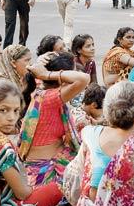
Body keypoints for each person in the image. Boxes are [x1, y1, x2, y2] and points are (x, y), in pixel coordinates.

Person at [18, 52, 90, 194]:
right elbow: (84, 78)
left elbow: (35, 71)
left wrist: (42, 67)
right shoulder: (50, 98)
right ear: (63, 80)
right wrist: (47, 74)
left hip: (57, 155)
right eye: (70, 72)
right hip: (44, 165)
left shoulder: (42, 89)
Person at [0, 44, 37, 118]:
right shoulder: (2, 85)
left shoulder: (25, 79)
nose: (30, 64)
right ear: (13, 63)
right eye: (27, 60)